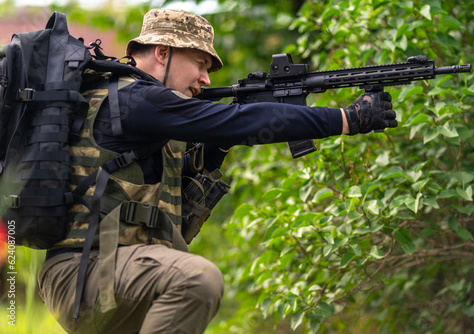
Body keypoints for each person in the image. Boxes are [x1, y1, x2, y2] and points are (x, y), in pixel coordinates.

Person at [37, 8, 397, 334]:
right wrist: (347, 119)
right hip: (86, 275)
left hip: (115, 274)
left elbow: (175, 207)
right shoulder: (136, 100)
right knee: (197, 279)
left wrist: (218, 148)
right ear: (163, 52)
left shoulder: (137, 109)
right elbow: (235, 122)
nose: (206, 80)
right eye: (200, 64)